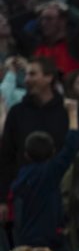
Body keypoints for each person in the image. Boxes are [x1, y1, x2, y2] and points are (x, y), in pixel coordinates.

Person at [0, 57, 70, 226]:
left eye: (32, 74)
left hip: (62, 193)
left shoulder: (67, 111)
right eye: (26, 75)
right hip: (25, 195)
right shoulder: (17, 113)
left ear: (49, 77)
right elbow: (5, 156)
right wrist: (2, 199)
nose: (26, 80)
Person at [11, 98, 79, 250]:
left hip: (24, 238)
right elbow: (71, 146)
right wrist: (73, 113)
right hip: (47, 241)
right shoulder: (50, 172)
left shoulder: (22, 175)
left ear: (26, 154)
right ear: (53, 152)